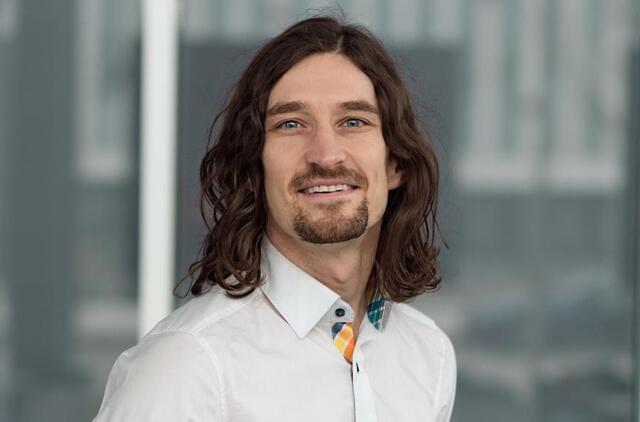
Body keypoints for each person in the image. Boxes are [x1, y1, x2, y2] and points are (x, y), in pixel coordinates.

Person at [93, 14, 456, 422]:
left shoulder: (429, 355)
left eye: (353, 121)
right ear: (256, 167)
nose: (325, 154)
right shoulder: (186, 366)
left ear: (395, 164)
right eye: (291, 124)